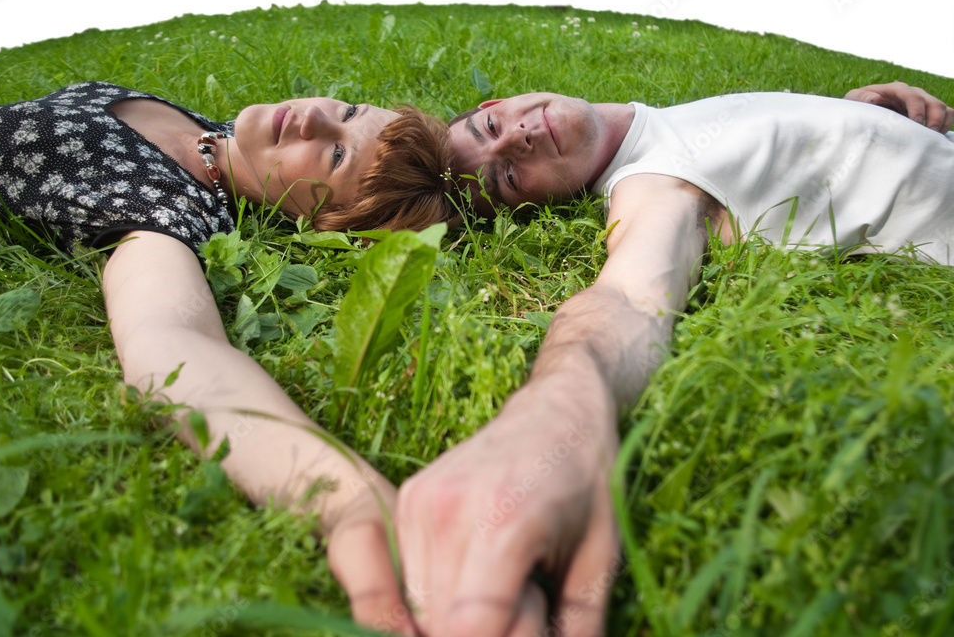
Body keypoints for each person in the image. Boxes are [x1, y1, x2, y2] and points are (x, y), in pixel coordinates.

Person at [390, 82, 954, 637]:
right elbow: (629, 298)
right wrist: (553, 416)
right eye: (509, 177)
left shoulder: (662, 126)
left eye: (490, 127)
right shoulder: (651, 183)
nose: (517, 138)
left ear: (494, 103)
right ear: (535, 207)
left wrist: (860, 118)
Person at [0, 80, 458, 635]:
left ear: (323, 224)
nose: (313, 115)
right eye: (349, 110)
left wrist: (346, 501)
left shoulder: (165, 206)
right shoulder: (215, 136)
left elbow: (172, 344)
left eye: (336, 154)